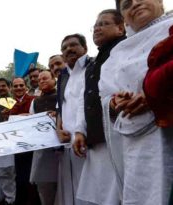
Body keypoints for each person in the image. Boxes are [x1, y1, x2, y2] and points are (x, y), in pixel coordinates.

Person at [99, 1, 173, 204]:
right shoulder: (117, 54)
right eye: (126, 4)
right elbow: (105, 95)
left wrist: (155, 96)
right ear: (123, 16)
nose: (135, 4)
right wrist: (114, 103)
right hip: (136, 145)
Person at [72, 9, 126, 205]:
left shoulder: (126, 51)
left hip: (121, 139)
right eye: (95, 26)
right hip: (96, 140)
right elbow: (83, 100)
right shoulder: (93, 65)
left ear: (121, 28)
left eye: (103, 24)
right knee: (96, 197)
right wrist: (79, 131)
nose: (97, 28)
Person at [56, 33, 90, 205]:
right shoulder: (63, 75)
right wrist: (58, 129)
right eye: (64, 47)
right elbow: (60, 106)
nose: (69, 49)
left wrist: (80, 131)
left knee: (92, 191)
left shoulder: (93, 67)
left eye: (73, 45)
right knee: (72, 192)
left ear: (85, 48)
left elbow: (87, 103)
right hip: (68, 144)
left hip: (89, 141)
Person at [29, 70, 59, 205]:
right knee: (44, 188)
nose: (41, 81)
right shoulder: (35, 102)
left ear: (54, 79)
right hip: (42, 150)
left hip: (60, 150)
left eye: (45, 78)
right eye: (39, 80)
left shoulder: (62, 97)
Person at [8, 77, 38, 205]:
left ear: (26, 87)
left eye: (21, 85)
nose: (19, 88)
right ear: (11, 88)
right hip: (16, 145)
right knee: (19, 177)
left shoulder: (34, 100)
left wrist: (24, 117)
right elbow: (5, 119)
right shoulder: (8, 102)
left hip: (33, 144)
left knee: (33, 176)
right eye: (16, 86)